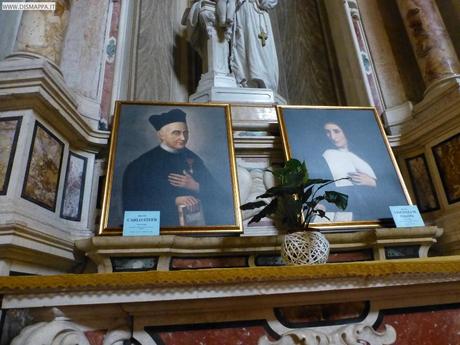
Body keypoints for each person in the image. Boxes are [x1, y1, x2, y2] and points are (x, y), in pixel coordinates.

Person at [122, 109, 233, 227]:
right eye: (176, 133)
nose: (183, 138)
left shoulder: (194, 159)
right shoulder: (141, 165)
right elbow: (134, 206)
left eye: (185, 133)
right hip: (161, 230)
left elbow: (223, 199)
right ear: (161, 135)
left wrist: (196, 186)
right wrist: (174, 201)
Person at [183, 0, 279, 91]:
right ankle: (244, 83)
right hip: (240, 13)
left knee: (261, 54)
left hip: (257, 14)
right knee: (242, 52)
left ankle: (263, 84)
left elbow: (269, 3)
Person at [322, 122, 377, 188]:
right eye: (328, 132)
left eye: (336, 131)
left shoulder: (363, 152)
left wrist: (372, 182)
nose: (333, 137)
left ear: (346, 131)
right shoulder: (329, 154)